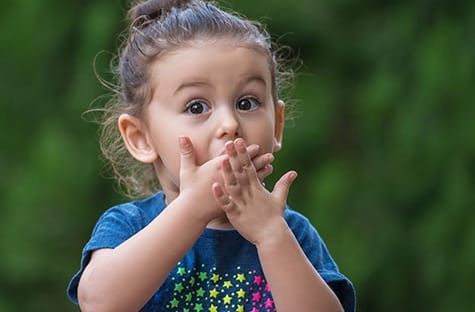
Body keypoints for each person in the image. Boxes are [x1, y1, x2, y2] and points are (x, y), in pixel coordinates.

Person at [67, 0, 356, 311]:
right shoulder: (129, 226)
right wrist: (193, 208)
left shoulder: (291, 233)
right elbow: (98, 302)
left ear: (278, 126)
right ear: (141, 138)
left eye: (247, 103)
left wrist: (271, 236)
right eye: (196, 107)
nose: (230, 124)